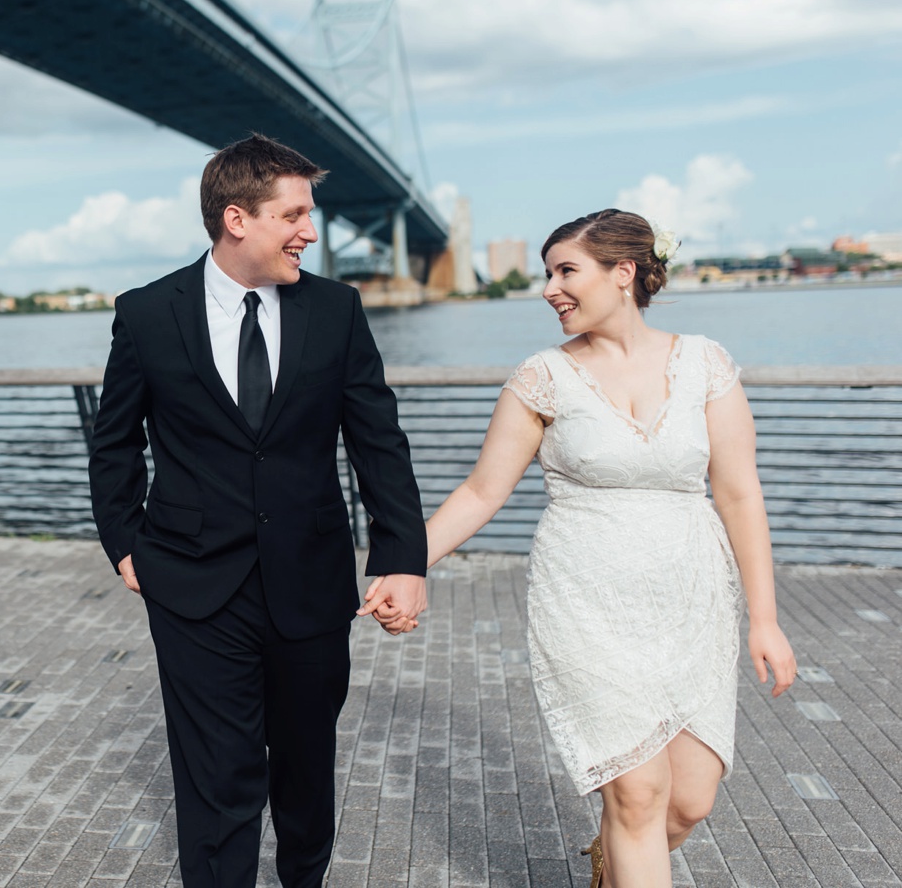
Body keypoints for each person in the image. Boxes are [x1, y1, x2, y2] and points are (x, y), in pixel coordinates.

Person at [373, 209, 796, 887]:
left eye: (565, 270)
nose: (548, 288)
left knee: (689, 800)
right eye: (548, 273)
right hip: (586, 606)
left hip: (692, 605)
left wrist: (766, 618)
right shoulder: (542, 378)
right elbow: (482, 493)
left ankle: (608, 863)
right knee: (637, 795)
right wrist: (402, 562)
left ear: (623, 272)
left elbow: (741, 494)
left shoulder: (706, 365)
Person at [88, 133, 429, 888]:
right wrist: (125, 544)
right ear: (236, 218)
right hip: (191, 585)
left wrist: (402, 557)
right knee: (218, 778)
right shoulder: (146, 313)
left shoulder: (335, 310)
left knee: (305, 773)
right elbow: (113, 443)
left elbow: (379, 441)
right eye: (296, 213)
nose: (311, 230)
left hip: (309, 583)